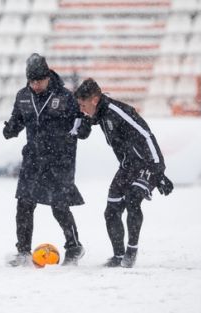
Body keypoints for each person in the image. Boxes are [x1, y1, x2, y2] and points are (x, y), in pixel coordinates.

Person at [74, 78, 173, 268]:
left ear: (94, 100)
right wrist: (83, 122)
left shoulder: (117, 111)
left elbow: (147, 135)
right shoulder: (99, 111)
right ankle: (118, 256)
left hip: (147, 164)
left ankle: (131, 253)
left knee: (133, 200)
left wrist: (159, 171)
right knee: (111, 212)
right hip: (127, 166)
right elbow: (90, 120)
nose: (82, 109)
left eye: (83, 105)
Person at [3, 53, 91, 266]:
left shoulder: (65, 97)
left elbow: (82, 127)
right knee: (24, 204)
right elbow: (17, 120)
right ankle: (23, 251)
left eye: (39, 81)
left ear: (48, 76)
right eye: (31, 81)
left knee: (59, 205)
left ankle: (74, 247)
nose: (35, 85)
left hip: (60, 159)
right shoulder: (23, 96)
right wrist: (10, 129)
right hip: (33, 158)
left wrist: (84, 127)